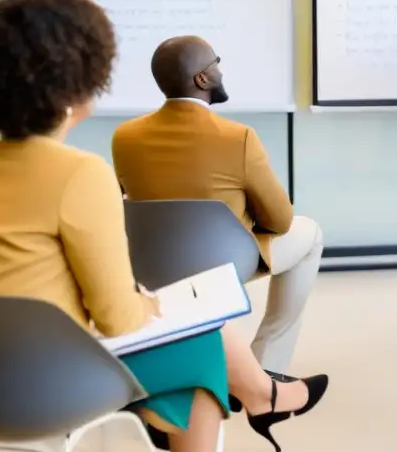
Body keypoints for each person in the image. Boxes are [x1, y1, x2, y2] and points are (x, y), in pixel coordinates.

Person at [0, 0, 327, 452]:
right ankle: (254, 407)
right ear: (82, 85)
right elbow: (117, 317)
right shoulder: (78, 174)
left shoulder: (114, 145)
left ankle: (265, 397)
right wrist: (149, 305)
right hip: (50, 382)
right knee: (201, 341)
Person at [112, 36, 324, 377]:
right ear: (202, 79)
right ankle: (267, 368)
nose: (221, 71)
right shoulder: (237, 137)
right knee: (310, 234)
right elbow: (281, 220)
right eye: (217, 63)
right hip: (223, 265)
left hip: (151, 264)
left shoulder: (124, 136)